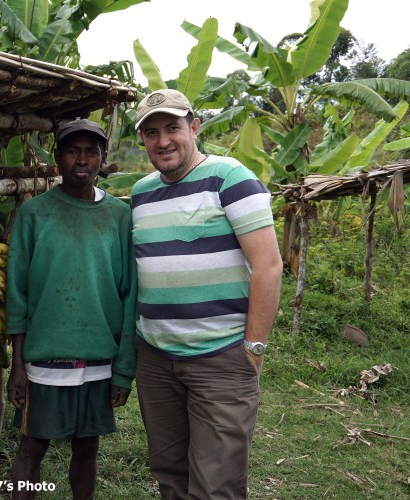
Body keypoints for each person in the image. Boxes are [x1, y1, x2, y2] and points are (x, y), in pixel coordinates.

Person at [130, 89, 283, 499]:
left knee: (217, 484)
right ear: (142, 139)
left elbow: (268, 265)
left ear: (194, 127)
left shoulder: (231, 177)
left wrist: (253, 347)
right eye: (151, 132)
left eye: (172, 128)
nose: (163, 141)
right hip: (156, 359)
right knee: (170, 475)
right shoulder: (141, 193)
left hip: (221, 358)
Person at [6, 119, 137, 500]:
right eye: (72, 151)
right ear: (57, 157)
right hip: (45, 360)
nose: (82, 160)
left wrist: (123, 370)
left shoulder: (119, 215)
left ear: (103, 158)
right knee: (32, 447)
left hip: (98, 360)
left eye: (91, 152)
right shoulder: (34, 214)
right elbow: (18, 291)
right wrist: (17, 365)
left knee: (87, 448)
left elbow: (129, 294)